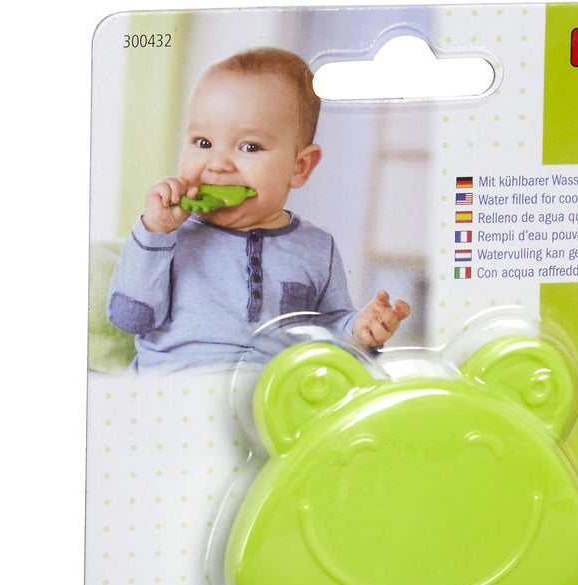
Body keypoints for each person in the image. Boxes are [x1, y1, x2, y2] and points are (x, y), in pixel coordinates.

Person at [108, 47, 410, 373]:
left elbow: (329, 332)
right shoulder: (170, 235)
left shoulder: (317, 248)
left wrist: (361, 330)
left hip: (269, 395)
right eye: (203, 142)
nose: (218, 164)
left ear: (299, 166)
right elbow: (130, 318)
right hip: (173, 389)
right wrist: (155, 233)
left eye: (249, 147)